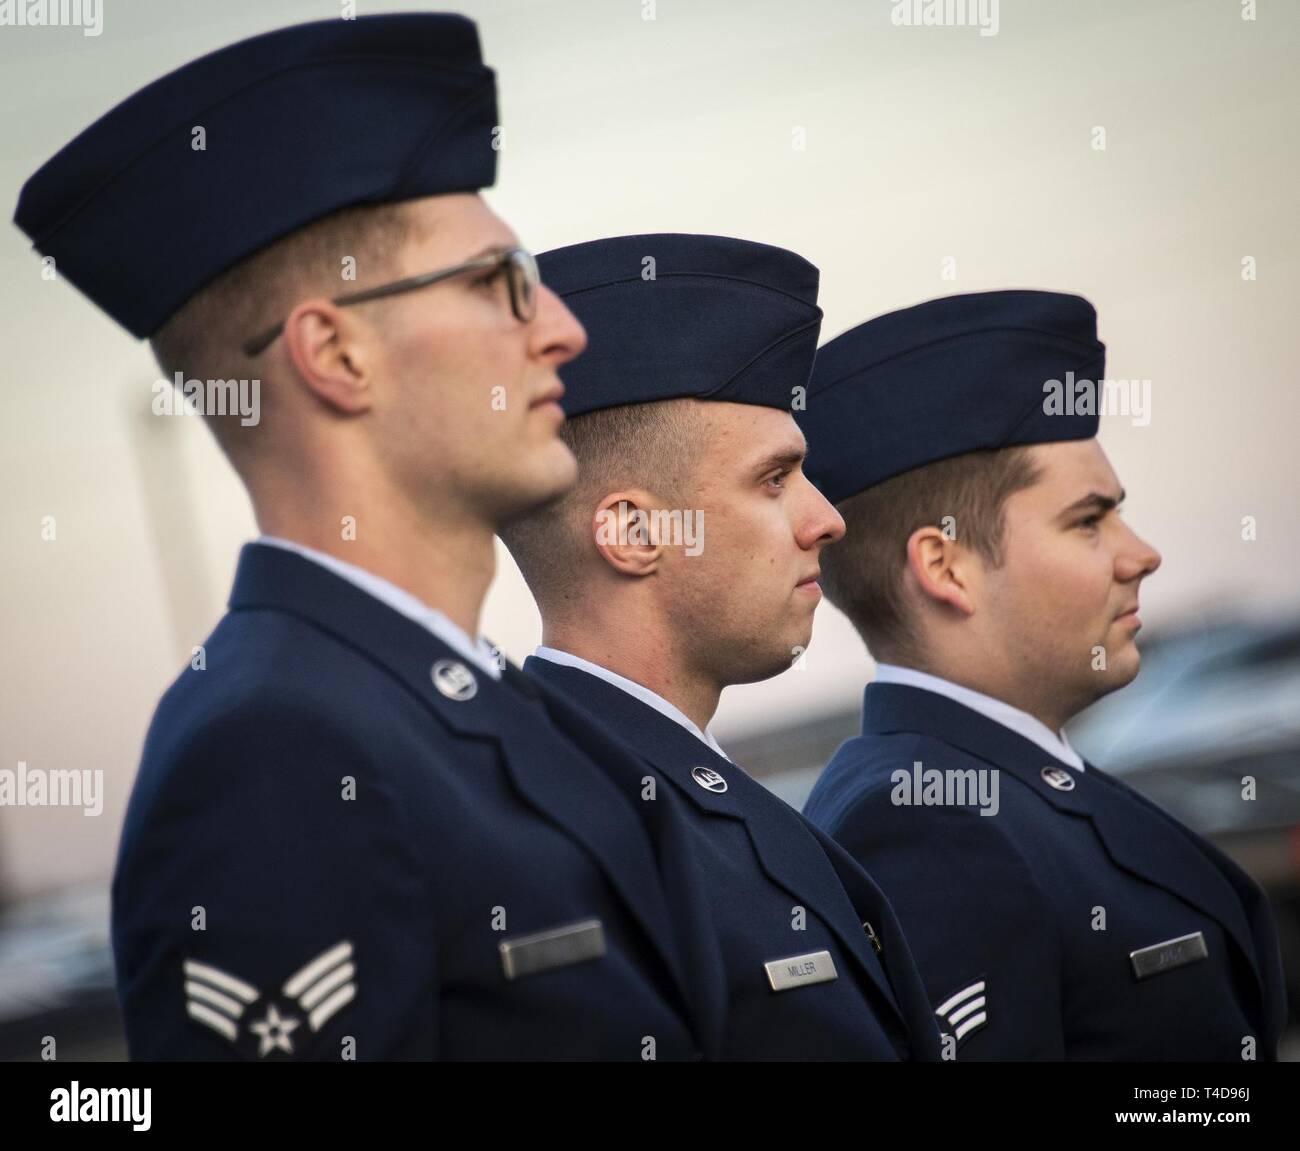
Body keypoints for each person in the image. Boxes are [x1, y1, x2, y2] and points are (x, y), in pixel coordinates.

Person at [15, 14, 715, 1061]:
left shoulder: (476, 708)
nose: (563, 326)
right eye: (497, 281)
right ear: (337, 354)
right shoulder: (270, 757)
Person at [797, 289, 1287, 1060]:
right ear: (945, 565)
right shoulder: (927, 822)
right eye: (1088, 521)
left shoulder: (1010, 784)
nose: (1141, 554)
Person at [499, 232, 943, 1060]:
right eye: (774, 480)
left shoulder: (676, 797)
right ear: (634, 531)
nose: (827, 520)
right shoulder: (562, 840)